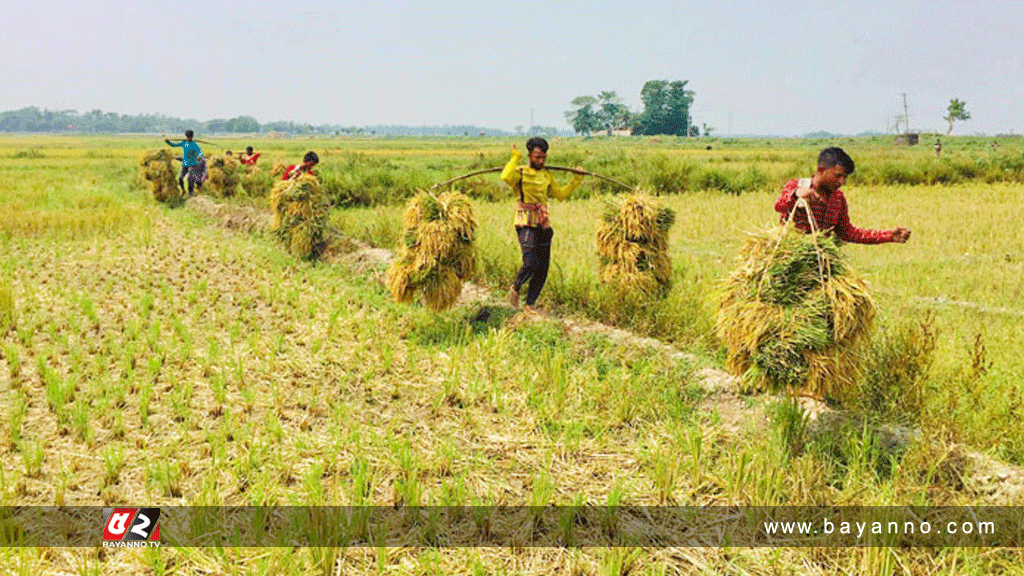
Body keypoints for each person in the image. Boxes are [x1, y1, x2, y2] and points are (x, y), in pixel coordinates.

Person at [500, 137, 586, 312]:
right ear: (529, 155)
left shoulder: (546, 175)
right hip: (525, 223)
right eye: (537, 157)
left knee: (542, 267)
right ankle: (515, 288)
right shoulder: (520, 173)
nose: (540, 161)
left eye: (543, 158)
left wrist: (576, 180)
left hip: (543, 225)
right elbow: (505, 176)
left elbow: (560, 194)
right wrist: (515, 157)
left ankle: (530, 305)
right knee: (530, 261)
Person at [774, 147, 911, 244]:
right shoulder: (798, 185)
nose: (841, 182)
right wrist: (797, 194)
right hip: (792, 261)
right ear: (821, 170)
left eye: (844, 177)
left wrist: (889, 236)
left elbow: (847, 232)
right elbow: (779, 204)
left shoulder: (838, 199)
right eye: (838, 176)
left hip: (821, 264)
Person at [165, 130, 206, 195]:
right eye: (188, 137)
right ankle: (183, 190)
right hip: (185, 164)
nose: (189, 138)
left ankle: (191, 193)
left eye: (190, 137)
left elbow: (200, 152)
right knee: (180, 178)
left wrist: (200, 156)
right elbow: (174, 145)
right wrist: (168, 142)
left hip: (193, 164)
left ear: (192, 137)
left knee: (190, 179)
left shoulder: (194, 144)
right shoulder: (183, 143)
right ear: (186, 136)